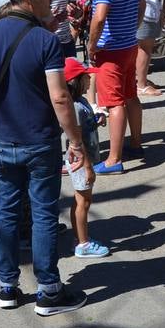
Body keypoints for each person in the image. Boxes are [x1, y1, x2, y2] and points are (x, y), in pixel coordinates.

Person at [0, 0, 90, 314]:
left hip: (2, 139)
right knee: (42, 214)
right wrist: (76, 142)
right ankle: (49, 290)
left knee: (7, 212)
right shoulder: (44, 40)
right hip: (38, 139)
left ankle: (7, 286)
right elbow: (60, 97)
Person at [87, 0, 144, 174]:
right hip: (129, 45)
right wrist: (133, 26)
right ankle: (136, 143)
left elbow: (99, 17)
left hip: (110, 50)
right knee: (130, 95)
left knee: (114, 103)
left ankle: (114, 159)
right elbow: (141, 4)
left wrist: (92, 45)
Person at [60, 58, 109, 258]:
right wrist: (88, 167)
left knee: (80, 199)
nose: (90, 78)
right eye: (86, 76)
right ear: (75, 82)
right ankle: (83, 243)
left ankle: (78, 237)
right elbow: (77, 141)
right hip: (81, 162)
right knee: (83, 202)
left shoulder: (80, 102)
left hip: (84, 159)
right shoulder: (76, 108)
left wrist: (97, 120)